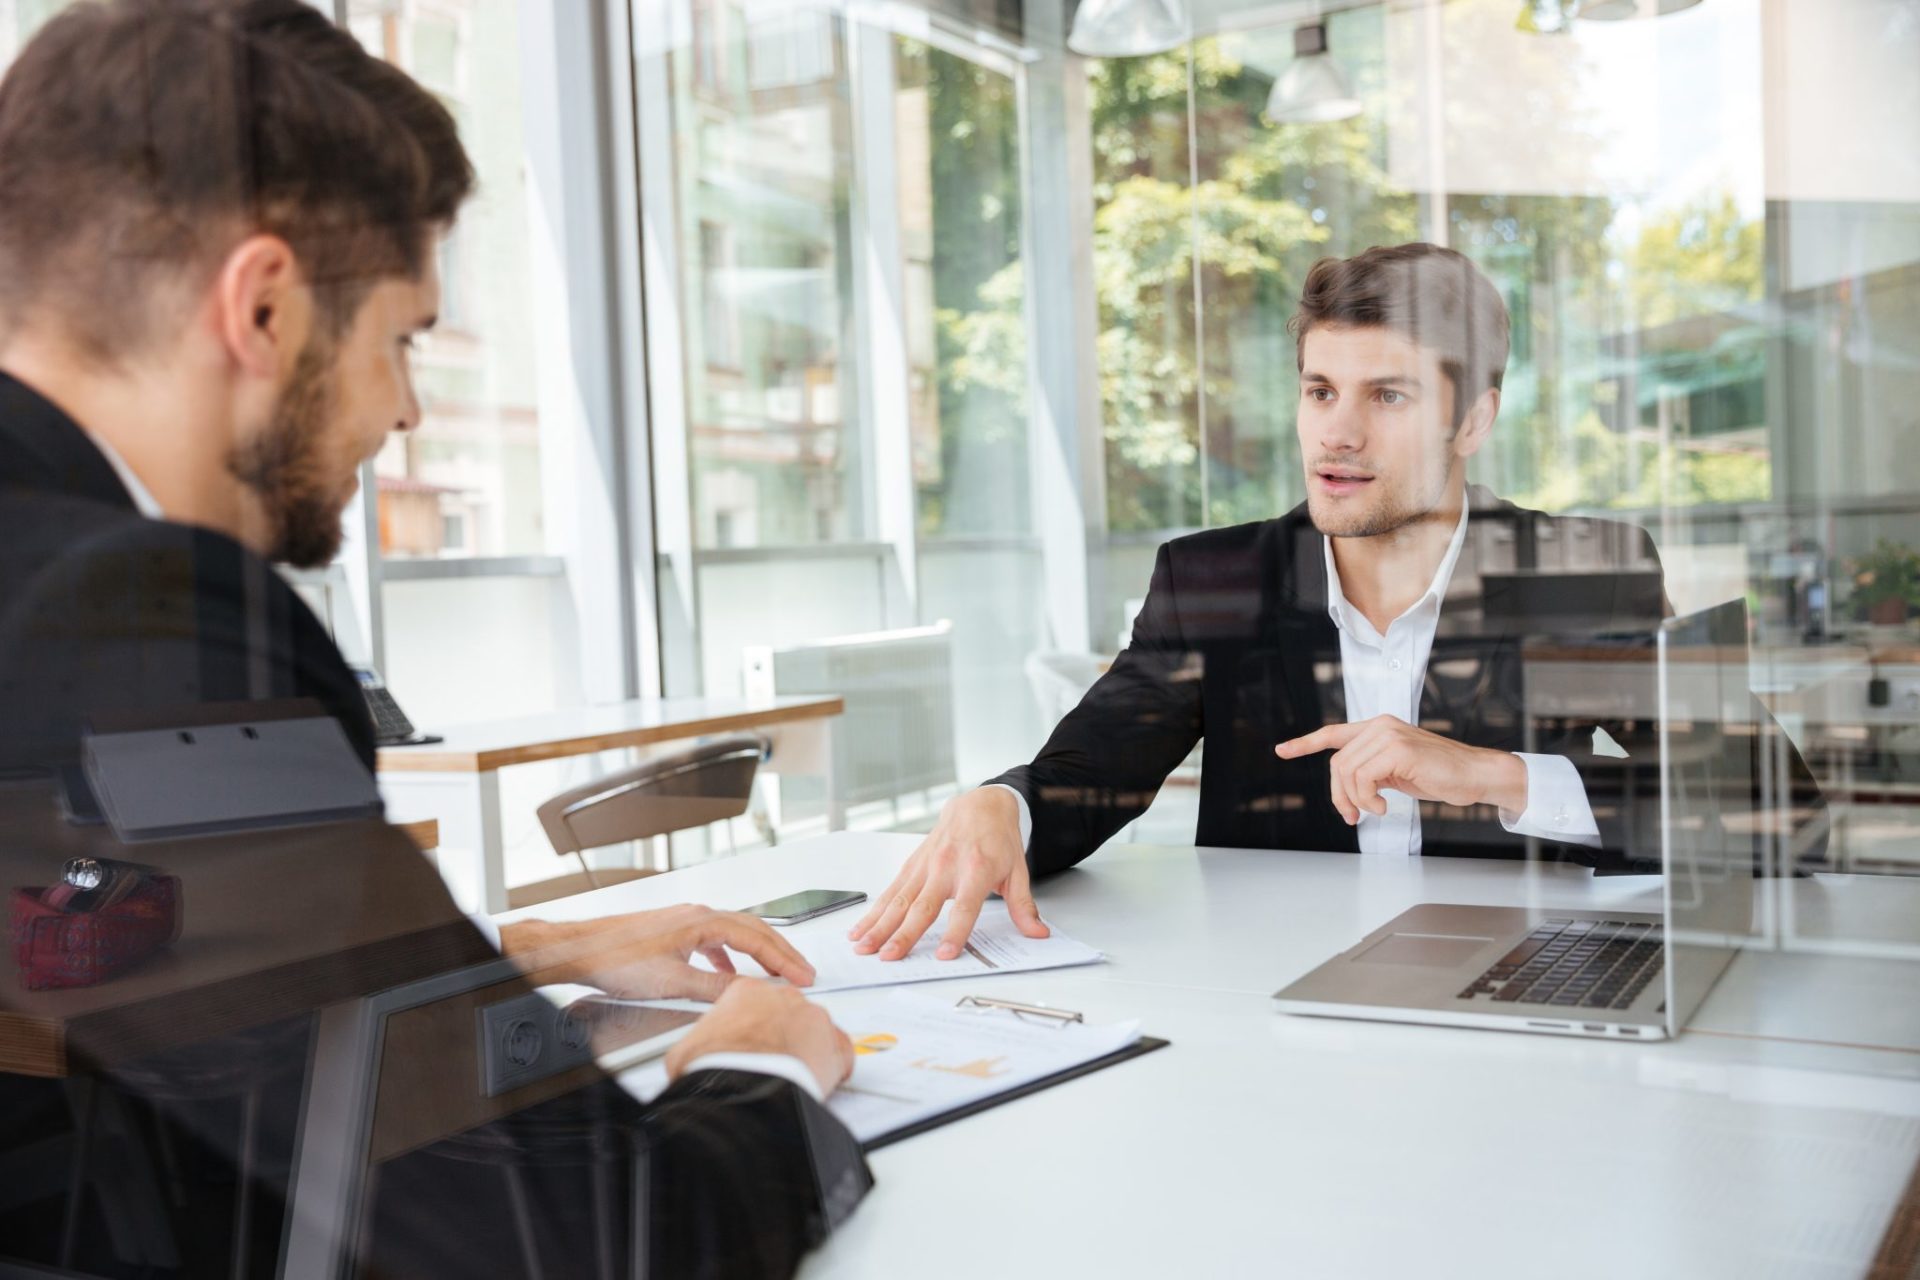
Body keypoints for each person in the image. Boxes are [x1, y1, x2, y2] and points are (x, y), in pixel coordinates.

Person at [0, 2, 866, 1275]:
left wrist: (516, 954)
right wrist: (762, 1065)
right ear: (264, 309)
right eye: (402, 338)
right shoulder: (134, 611)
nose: (405, 409)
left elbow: (101, 980)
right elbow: (597, 1243)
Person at [850, 242, 1825, 963]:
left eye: (1387, 396)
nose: (1338, 434)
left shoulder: (1583, 570)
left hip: (1514, 990)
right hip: (1268, 1004)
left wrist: (1497, 776)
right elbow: (1085, 779)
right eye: (1321, 390)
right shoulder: (1216, 578)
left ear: (1472, 418)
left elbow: (1779, 812)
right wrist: (1003, 803)